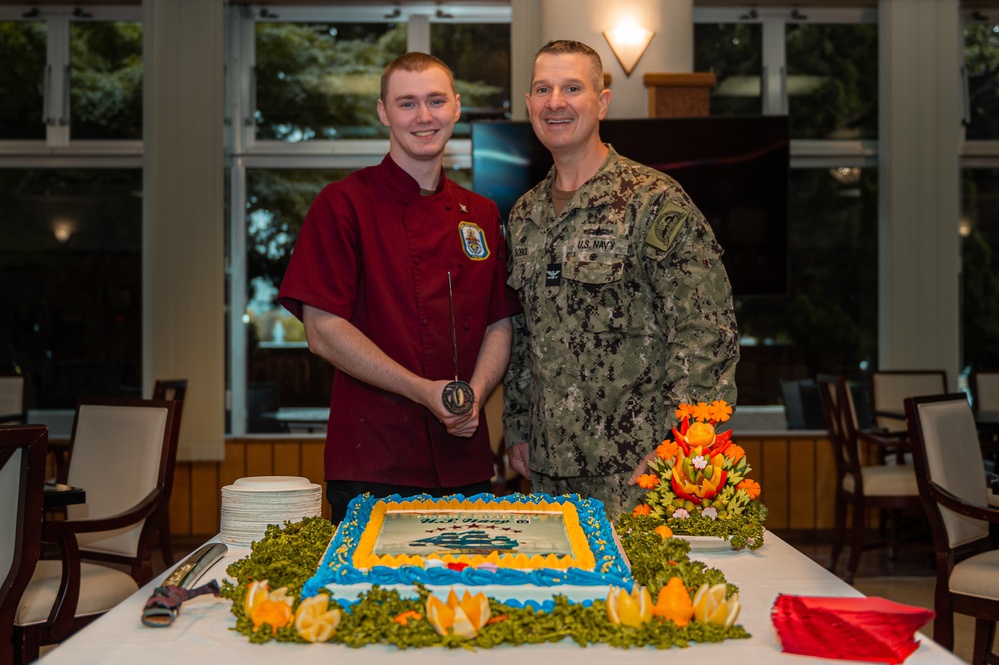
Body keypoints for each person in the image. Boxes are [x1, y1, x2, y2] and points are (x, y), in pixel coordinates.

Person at [278, 52, 520, 525]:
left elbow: (500, 322)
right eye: (407, 104)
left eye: (435, 101)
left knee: (469, 594)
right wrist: (423, 391)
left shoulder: (482, 214)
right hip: (374, 461)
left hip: (465, 461)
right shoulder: (343, 204)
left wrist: (473, 392)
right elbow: (322, 330)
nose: (424, 116)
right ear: (384, 113)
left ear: (456, 106)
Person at [502, 40, 739, 520]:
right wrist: (518, 427)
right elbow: (524, 333)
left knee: (651, 596)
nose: (555, 102)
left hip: (639, 472)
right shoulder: (525, 215)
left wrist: (682, 446)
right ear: (529, 106)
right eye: (542, 89)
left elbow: (706, 330)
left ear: (602, 102)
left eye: (572, 88)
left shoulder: (653, 201)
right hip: (549, 473)